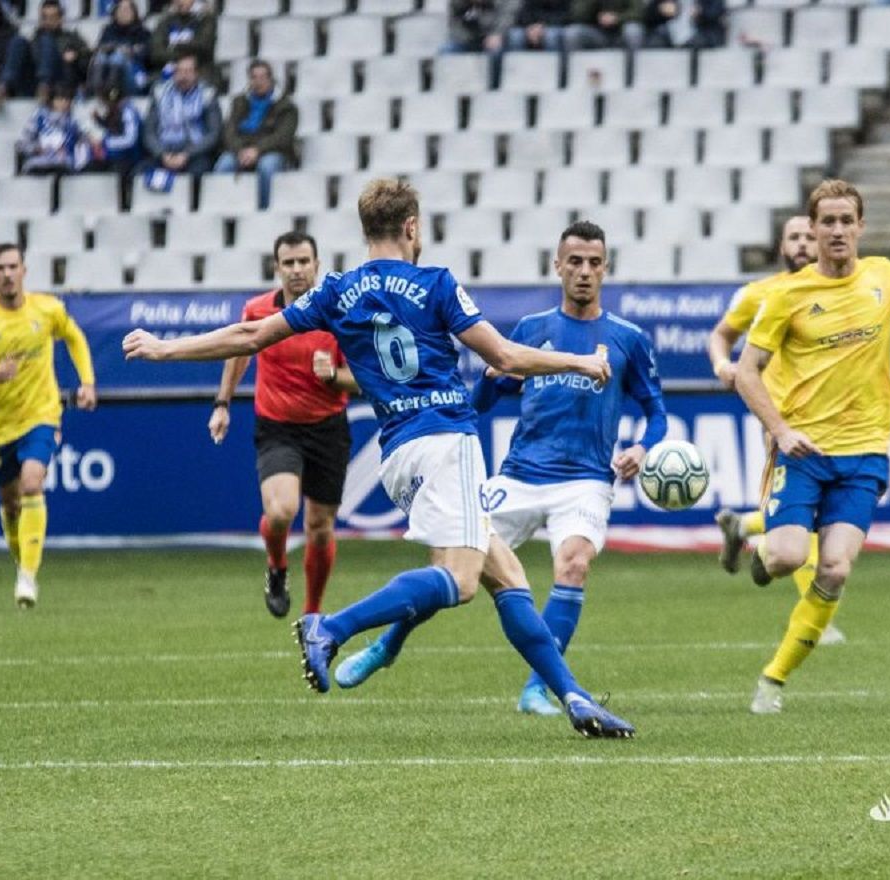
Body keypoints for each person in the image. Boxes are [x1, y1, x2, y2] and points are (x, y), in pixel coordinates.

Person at [123, 178, 635, 738]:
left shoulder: (337, 290)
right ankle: (331, 627)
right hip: (445, 439)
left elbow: (251, 335)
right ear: (413, 228)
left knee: (506, 576)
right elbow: (505, 356)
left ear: (365, 230)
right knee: (460, 581)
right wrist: (579, 362)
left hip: (398, 455)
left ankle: (575, 699)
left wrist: (166, 348)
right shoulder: (436, 282)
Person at [334, 220, 667, 717]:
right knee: (452, 565)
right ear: (557, 266)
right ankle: (387, 645)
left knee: (573, 563)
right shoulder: (532, 330)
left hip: (585, 480)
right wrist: (492, 379)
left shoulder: (628, 339)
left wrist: (643, 448)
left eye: (594, 263)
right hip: (518, 476)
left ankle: (538, 688)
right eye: (574, 261)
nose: (584, 272)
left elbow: (655, 411)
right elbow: (483, 401)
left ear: (606, 268)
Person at [734, 179, 890, 714]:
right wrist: (780, 430)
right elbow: (746, 372)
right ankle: (760, 553)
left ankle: (772, 680)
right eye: (825, 222)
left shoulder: (885, 278)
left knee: (834, 569)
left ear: (860, 227)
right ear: (813, 228)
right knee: (785, 558)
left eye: (845, 221)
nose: (835, 231)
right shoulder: (787, 295)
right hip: (803, 451)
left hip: (865, 453)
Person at [707, 216, 845, 647]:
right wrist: (722, 365)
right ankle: (816, 618)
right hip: (781, 419)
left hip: (832, 415)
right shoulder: (761, 294)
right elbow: (721, 335)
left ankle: (744, 527)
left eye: (809, 236)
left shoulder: (844, 291)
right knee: (810, 518)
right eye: (795, 237)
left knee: (813, 516)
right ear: (781, 246)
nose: (803, 244)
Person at [208, 231, 357, 620]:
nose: (296, 270)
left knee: (320, 526)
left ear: (317, 265)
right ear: (276, 268)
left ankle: (312, 615)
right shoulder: (258, 312)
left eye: (304, 261)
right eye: (288, 263)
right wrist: (222, 403)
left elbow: (362, 379)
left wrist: (334, 377)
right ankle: (277, 567)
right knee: (281, 511)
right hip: (278, 427)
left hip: (328, 427)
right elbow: (239, 351)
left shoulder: (337, 314)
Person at [0, 243, 97, 608]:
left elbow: (75, 337)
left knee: (33, 484)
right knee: (10, 501)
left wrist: (87, 382)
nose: (7, 274)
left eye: (13, 266)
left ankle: (28, 577)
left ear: (24, 270)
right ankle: (23, 562)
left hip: (41, 415)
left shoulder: (47, 309)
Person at [214, 59, 297, 211]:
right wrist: (240, 150)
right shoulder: (239, 102)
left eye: (263, 77)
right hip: (241, 150)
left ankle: (263, 211)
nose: (258, 81)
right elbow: (229, 130)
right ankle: (224, 209)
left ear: (271, 79)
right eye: (254, 77)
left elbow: (283, 137)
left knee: (267, 166)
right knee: (223, 165)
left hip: (271, 151)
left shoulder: (286, 106)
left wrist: (257, 150)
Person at [142, 45, 221, 178]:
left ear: (196, 73)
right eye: (179, 71)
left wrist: (187, 154)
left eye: (188, 71)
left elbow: (213, 134)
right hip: (164, 150)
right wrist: (162, 154)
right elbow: (149, 132)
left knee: (197, 173)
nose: (183, 76)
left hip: (194, 152)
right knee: (139, 172)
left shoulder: (208, 95)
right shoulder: (159, 93)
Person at [16, 84, 90, 174]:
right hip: (38, 163)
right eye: (60, 99)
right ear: (52, 101)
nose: (64, 103)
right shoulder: (38, 118)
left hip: (65, 164)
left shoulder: (73, 122)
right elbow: (21, 143)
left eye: (67, 100)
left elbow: (84, 141)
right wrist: (37, 149)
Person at [28, 0, 89, 98]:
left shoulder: (72, 37)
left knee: (47, 40)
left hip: (64, 79)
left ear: (61, 18)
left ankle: (45, 87)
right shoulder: (34, 41)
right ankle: (43, 86)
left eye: (52, 17)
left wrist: (76, 56)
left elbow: (88, 58)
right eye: (45, 17)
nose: (48, 21)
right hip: (36, 82)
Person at [87, 0, 150, 96]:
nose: (124, 13)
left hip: (134, 74)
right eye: (121, 10)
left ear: (134, 13)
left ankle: (111, 90)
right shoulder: (108, 31)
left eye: (127, 10)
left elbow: (147, 55)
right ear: (115, 13)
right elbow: (100, 49)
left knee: (117, 57)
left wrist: (130, 51)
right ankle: (96, 91)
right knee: (101, 57)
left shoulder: (143, 33)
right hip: (107, 69)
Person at [149, 0, 215, 84]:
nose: (180, 1)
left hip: (200, 70)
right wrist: (182, 55)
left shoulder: (206, 19)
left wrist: (174, 47)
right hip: (168, 70)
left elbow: (204, 46)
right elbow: (156, 53)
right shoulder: (165, 21)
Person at [564, 0, 645, 53]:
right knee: (572, 33)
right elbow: (577, 15)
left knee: (633, 30)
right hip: (598, 34)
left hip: (621, 33)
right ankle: (577, 73)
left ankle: (633, 73)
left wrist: (617, 18)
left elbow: (639, 12)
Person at [643, 1, 726, 50]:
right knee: (654, 43)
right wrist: (660, 10)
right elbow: (648, 16)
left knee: (697, 44)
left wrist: (701, 13)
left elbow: (717, 11)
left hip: (701, 35)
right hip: (669, 36)